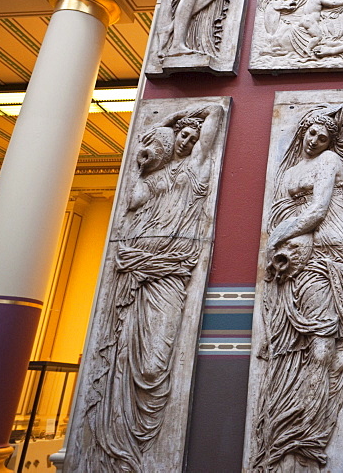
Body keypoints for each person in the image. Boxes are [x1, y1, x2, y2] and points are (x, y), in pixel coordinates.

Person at [86, 103, 224, 470]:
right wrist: (163, 128)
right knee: (120, 355)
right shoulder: (156, 176)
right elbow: (131, 200)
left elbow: (215, 113)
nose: (189, 140)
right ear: (175, 137)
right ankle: (114, 446)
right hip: (134, 271)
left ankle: (143, 436)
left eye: (194, 138)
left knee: (152, 365)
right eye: (184, 134)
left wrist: (186, 118)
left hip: (170, 274)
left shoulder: (197, 168)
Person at [250, 105, 343, 471]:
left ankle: (306, 431)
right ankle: (287, 424)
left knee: (323, 347)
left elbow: (317, 210)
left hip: (325, 252)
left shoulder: (329, 161)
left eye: (323, 136)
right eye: (312, 133)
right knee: (293, 345)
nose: (315, 140)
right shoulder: (291, 167)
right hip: (294, 258)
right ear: (303, 131)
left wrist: (276, 238)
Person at [261, 0, 343, 59]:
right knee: (318, 37)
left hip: (303, 20)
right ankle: (308, 49)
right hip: (310, 21)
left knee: (312, 34)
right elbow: (332, 3)